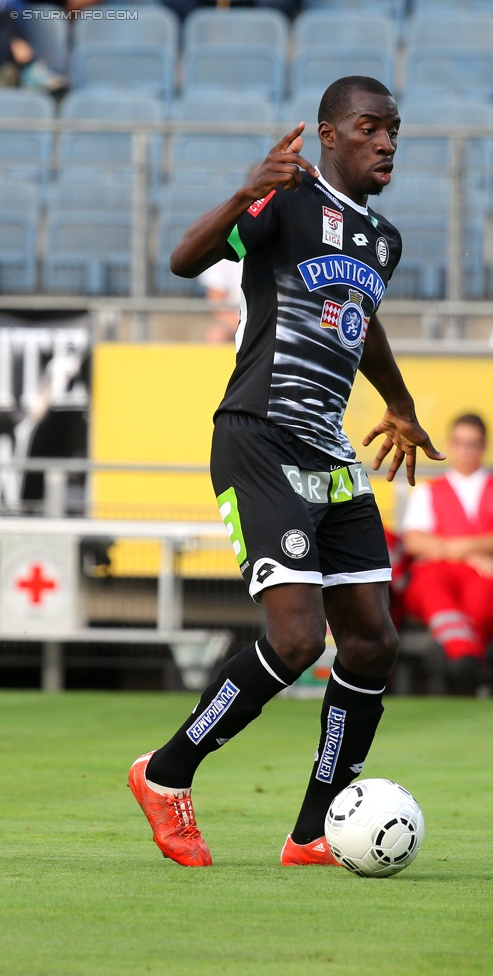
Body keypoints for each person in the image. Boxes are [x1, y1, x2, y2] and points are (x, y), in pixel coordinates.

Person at [127, 75, 445, 868]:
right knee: (298, 638)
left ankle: (310, 833)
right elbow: (182, 259)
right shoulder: (287, 203)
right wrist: (245, 192)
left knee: (371, 642)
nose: (386, 142)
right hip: (260, 437)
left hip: (330, 451)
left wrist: (400, 403)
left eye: (393, 131)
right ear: (329, 135)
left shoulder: (382, 240)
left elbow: (358, 324)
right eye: (370, 128)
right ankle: (165, 775)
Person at [401, 413, 493, 695]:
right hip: (442, 572)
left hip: (487, 574)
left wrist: (452, 548)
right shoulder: (428, 490)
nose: (466, 451)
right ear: (450, 444)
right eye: (460, 443)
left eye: (472, 444)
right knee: (433, 588)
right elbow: (413, 541)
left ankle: (452, 656)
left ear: (484, 446)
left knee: (481, 604)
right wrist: (471, 553)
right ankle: (469, 664)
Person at [198, 258, 243, 343]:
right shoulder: (224, 258)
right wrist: (242, 327)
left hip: (266, 322)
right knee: (216, 336)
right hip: (236, 323)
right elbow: (216, 303)